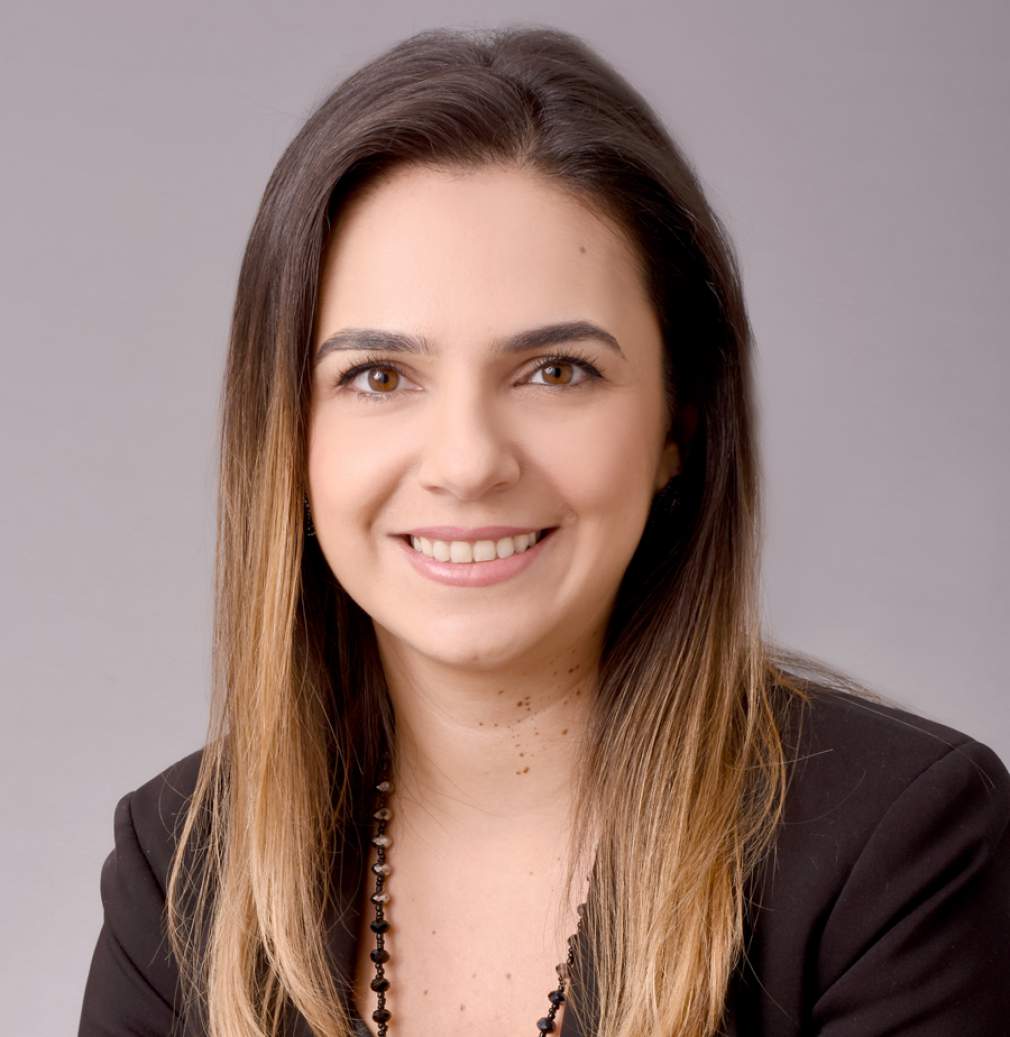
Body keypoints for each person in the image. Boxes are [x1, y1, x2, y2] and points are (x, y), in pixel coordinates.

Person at [78, 24, 1010, 1037]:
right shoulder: (181, 868)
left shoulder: (899, 850)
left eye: (556, 371)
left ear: (680, 423)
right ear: (285, 435)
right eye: (378, 376)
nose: (467, 461)